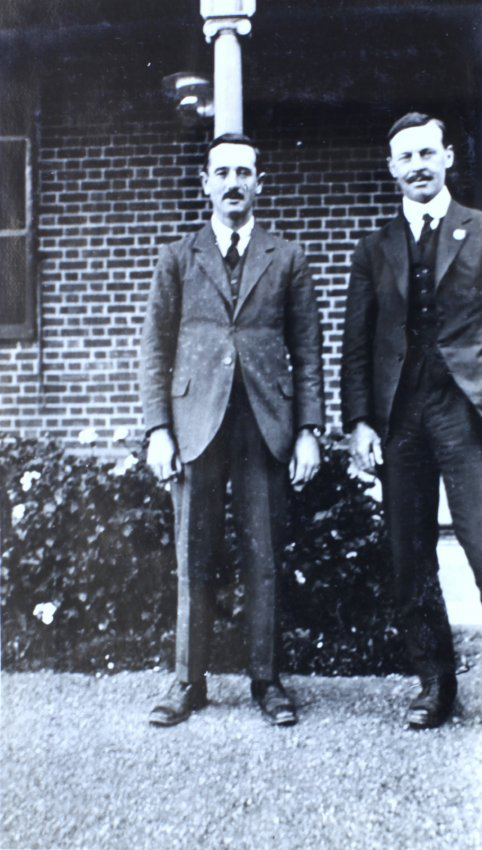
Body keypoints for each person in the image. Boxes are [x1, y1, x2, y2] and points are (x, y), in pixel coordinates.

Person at [140, 133, 324, 727]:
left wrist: (308, 430)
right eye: (222, 173)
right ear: (205, 183)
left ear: (259, 183)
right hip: (195, 424)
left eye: (244, 172)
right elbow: (154, 349)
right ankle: (187, 683)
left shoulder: (287, 257)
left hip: (264, 423)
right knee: (194, 557)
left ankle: (267, 682)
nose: (233, 183)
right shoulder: (177, 256)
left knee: (263, 555)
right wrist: (157, 430)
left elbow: (308, 351)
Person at [341, 111, 482, 729]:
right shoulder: (374, 249)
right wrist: (360, 422)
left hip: (463, 410)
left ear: (448, 157)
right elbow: (357, 344)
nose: (418, 166)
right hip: (400, 417)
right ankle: (435, 685)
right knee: (410, 554)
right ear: (392, 168)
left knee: (481, 541)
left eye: (428, 153)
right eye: (406, 157)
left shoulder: (479, 232)